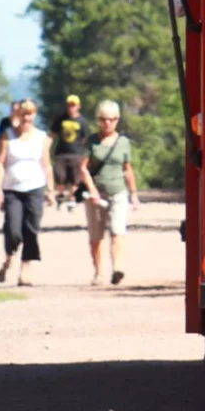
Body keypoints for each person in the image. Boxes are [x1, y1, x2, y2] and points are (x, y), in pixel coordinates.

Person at [0, 101, 64, 285]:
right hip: (12, 189)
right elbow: (0, 163)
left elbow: (46, 165)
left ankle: (25, 270)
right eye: (24, 114)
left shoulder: (41, 137)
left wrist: (50, 190)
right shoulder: (7, 136)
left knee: (31, 230)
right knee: (13, 230)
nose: (27, 118)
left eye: (30, 114)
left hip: (35, 188)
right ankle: (8, 259)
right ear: (18, 116)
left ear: (34, 116)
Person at [85, 100, 138, 286]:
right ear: (98, 120)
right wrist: (91, 189)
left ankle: (117, 268)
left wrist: (134, 194)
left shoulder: (123, 142)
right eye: (104, 119)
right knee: (96, 237)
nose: (108, 123)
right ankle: (98, 271)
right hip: (96, 195)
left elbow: (127, 169)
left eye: (112, 119)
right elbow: (82, 168)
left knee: (117, 231)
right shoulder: (92, 142)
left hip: (118, 193)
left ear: (117, 120)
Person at [50, 95, 89, 211]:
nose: (71, 107)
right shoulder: (60, 119)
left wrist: (85, 154)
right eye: (69, 105)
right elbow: (52, 134)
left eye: (74, 105)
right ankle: (60, 195)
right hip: (61, 153)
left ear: (78, 106)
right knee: (59, 177)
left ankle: (71, 199)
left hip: (76, 153)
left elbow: (85, 139)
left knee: (74, 179)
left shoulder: (83, 122)